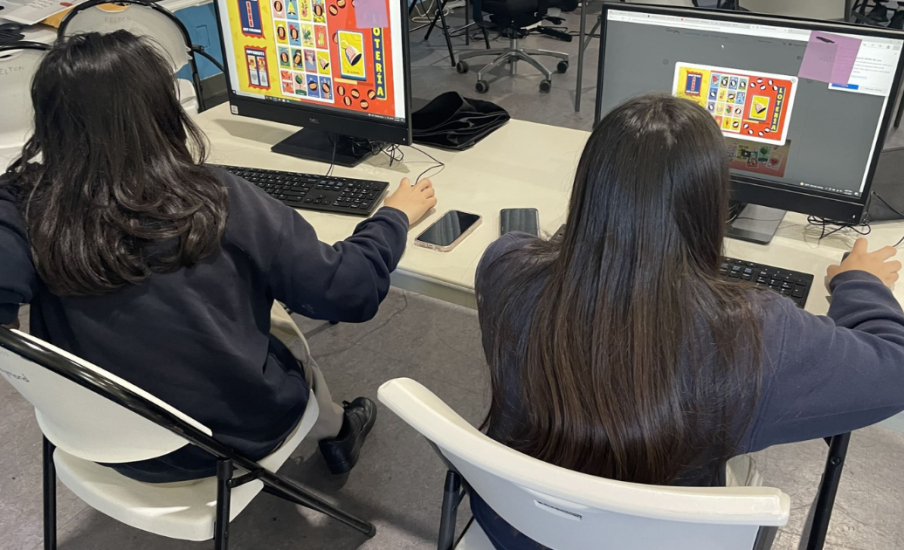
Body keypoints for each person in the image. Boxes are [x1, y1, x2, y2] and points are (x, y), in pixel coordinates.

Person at [0, 31, 436, 482]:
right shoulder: (213, 197)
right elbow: (348, 292)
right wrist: (392, 218)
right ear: (161, 111)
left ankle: (334, 425)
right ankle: (338, 429)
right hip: (229, 442)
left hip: (94, 438)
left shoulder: (23, 205)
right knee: (285, 336)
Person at [473, 93, 904, 549]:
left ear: (589, 187)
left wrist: (603, 237)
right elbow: (893, 367)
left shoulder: (504, 267)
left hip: (517, 527)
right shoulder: (758, 335)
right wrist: (859, 281)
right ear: (712, 203)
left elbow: (551, 261)